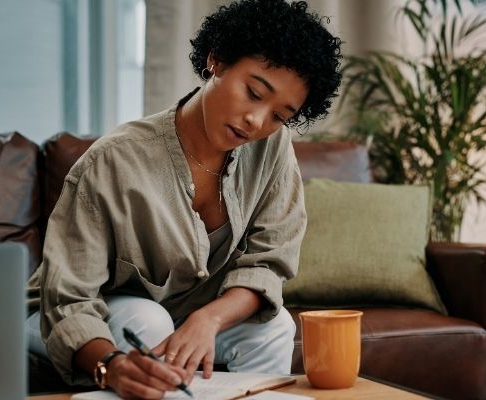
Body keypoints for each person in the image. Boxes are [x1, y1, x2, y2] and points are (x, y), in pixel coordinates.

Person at [25, 0, 342, 398]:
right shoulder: (115, 161)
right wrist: (111, 366)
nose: (257, 121)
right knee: (148, 318)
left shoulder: (272, 149)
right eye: (253, 92)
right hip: (58, 315)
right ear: (217, 61)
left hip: (186, 310)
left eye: (280, 115)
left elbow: (268, 259)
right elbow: (68, 299)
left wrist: (208, 319)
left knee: (274, 325)